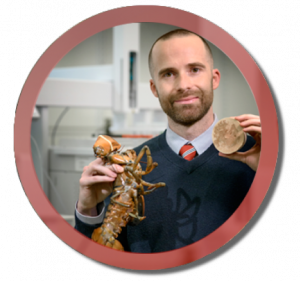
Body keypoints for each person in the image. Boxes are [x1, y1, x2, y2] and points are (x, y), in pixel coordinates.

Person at [75, 29, 261, 253]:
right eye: (168, 74)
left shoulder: (258, 157)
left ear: (214, 79)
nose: (183, 84)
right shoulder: (127, 167)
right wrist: (88, 212)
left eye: (194, 69)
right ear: (154, 88)